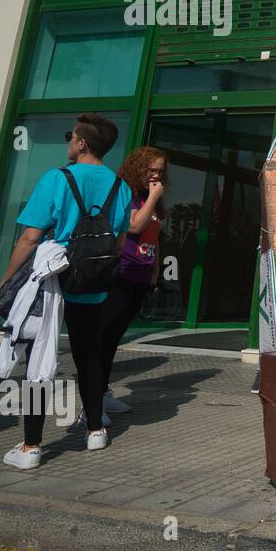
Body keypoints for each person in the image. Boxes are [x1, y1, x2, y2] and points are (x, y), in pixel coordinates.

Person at [0, 114, 132, 468]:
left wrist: (7, 278)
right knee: (88, 352)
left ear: (82, 143)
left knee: (39, 358)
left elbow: (30, 237)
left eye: (70, 136)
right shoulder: (122, 187)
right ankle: (95, 431)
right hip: (93, 280)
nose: (68, 141)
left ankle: (30, 447)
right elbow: (118, 242)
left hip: (53, 281)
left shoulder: (57, 179)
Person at [96, 147, 169, 416]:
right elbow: (135, 226)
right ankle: (91, 403)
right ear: (138, 168)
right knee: (102, 337)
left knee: (115, 337)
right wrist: (152, 197)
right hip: (121, 273)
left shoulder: (153, 201)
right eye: (151, 169)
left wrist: (154, 270)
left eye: (160, 171)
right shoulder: (125, 194)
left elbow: (154, 236)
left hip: (140, 274)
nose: (156, 175)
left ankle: (102, 393)